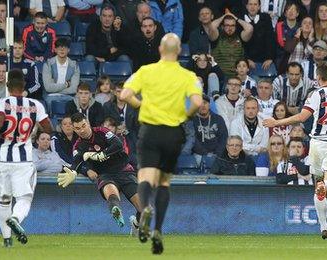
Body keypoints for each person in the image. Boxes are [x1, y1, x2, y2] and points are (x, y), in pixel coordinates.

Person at [120, 33, 203, 254]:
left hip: (150, 130)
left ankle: (146, 207)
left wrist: (141, 105)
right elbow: (197, 102)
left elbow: (125, 94)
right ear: (179, 52)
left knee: (145, 177)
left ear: (160, 49)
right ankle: (158, 229)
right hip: (174, 133)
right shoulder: (188, 75)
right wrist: (185, 115)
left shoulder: (146, 71)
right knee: (164, 182)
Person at [263, 61, 327, 239]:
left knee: (317, 186)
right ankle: (324, 187)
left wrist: (277, 122)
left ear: (318, 78)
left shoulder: (316, 94)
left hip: (316, 144)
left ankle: (324, 227)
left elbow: (302, 117)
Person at [0, 69, 53, 247]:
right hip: (24, 160)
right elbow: (49, 128)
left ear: (7, 85)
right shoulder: (35, 105)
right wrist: (32, 132)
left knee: (4, 200)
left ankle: (7, 240)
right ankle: (16, 218)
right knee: (24, 198)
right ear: (24, 85)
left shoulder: (2, 103)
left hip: (2, 160)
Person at [56, 113, 142, 233]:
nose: (81, 130)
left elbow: (118, 144)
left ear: (88, 123)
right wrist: (73, 173)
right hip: (105, 175)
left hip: (124, 171)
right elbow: (76, 163)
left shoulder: (102, 131)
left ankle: (136, 224)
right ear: (74, 129)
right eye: (77, 128)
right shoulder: (78, 146)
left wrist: (102, 154)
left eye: (83, 126)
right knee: (111, 193)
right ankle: (115, 210)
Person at [192, 95, 228, 160]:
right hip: (199, 154)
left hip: (218, 154)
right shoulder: (192, 120)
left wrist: (217, 154)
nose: (203, 106)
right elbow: (193, 141)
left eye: (205, 103)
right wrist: (206, 154)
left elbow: (223, 138)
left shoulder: (218, 119)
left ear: (209, 105)